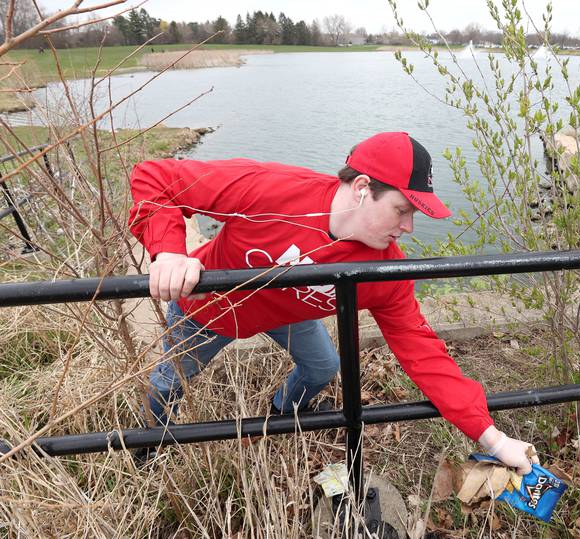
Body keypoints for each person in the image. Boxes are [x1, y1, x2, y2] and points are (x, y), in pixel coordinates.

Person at [128, 132, 538, 473]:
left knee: (324, 366)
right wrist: (169, 251)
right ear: (362, 189)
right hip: (210, 310)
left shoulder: (384, 270)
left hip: (289, 311)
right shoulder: (271, 189)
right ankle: (151, 444)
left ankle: (279, 415)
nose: (408, 227)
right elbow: (156, 177)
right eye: (401, 210)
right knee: (168, 383)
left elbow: (423, 352)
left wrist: (493, 438)